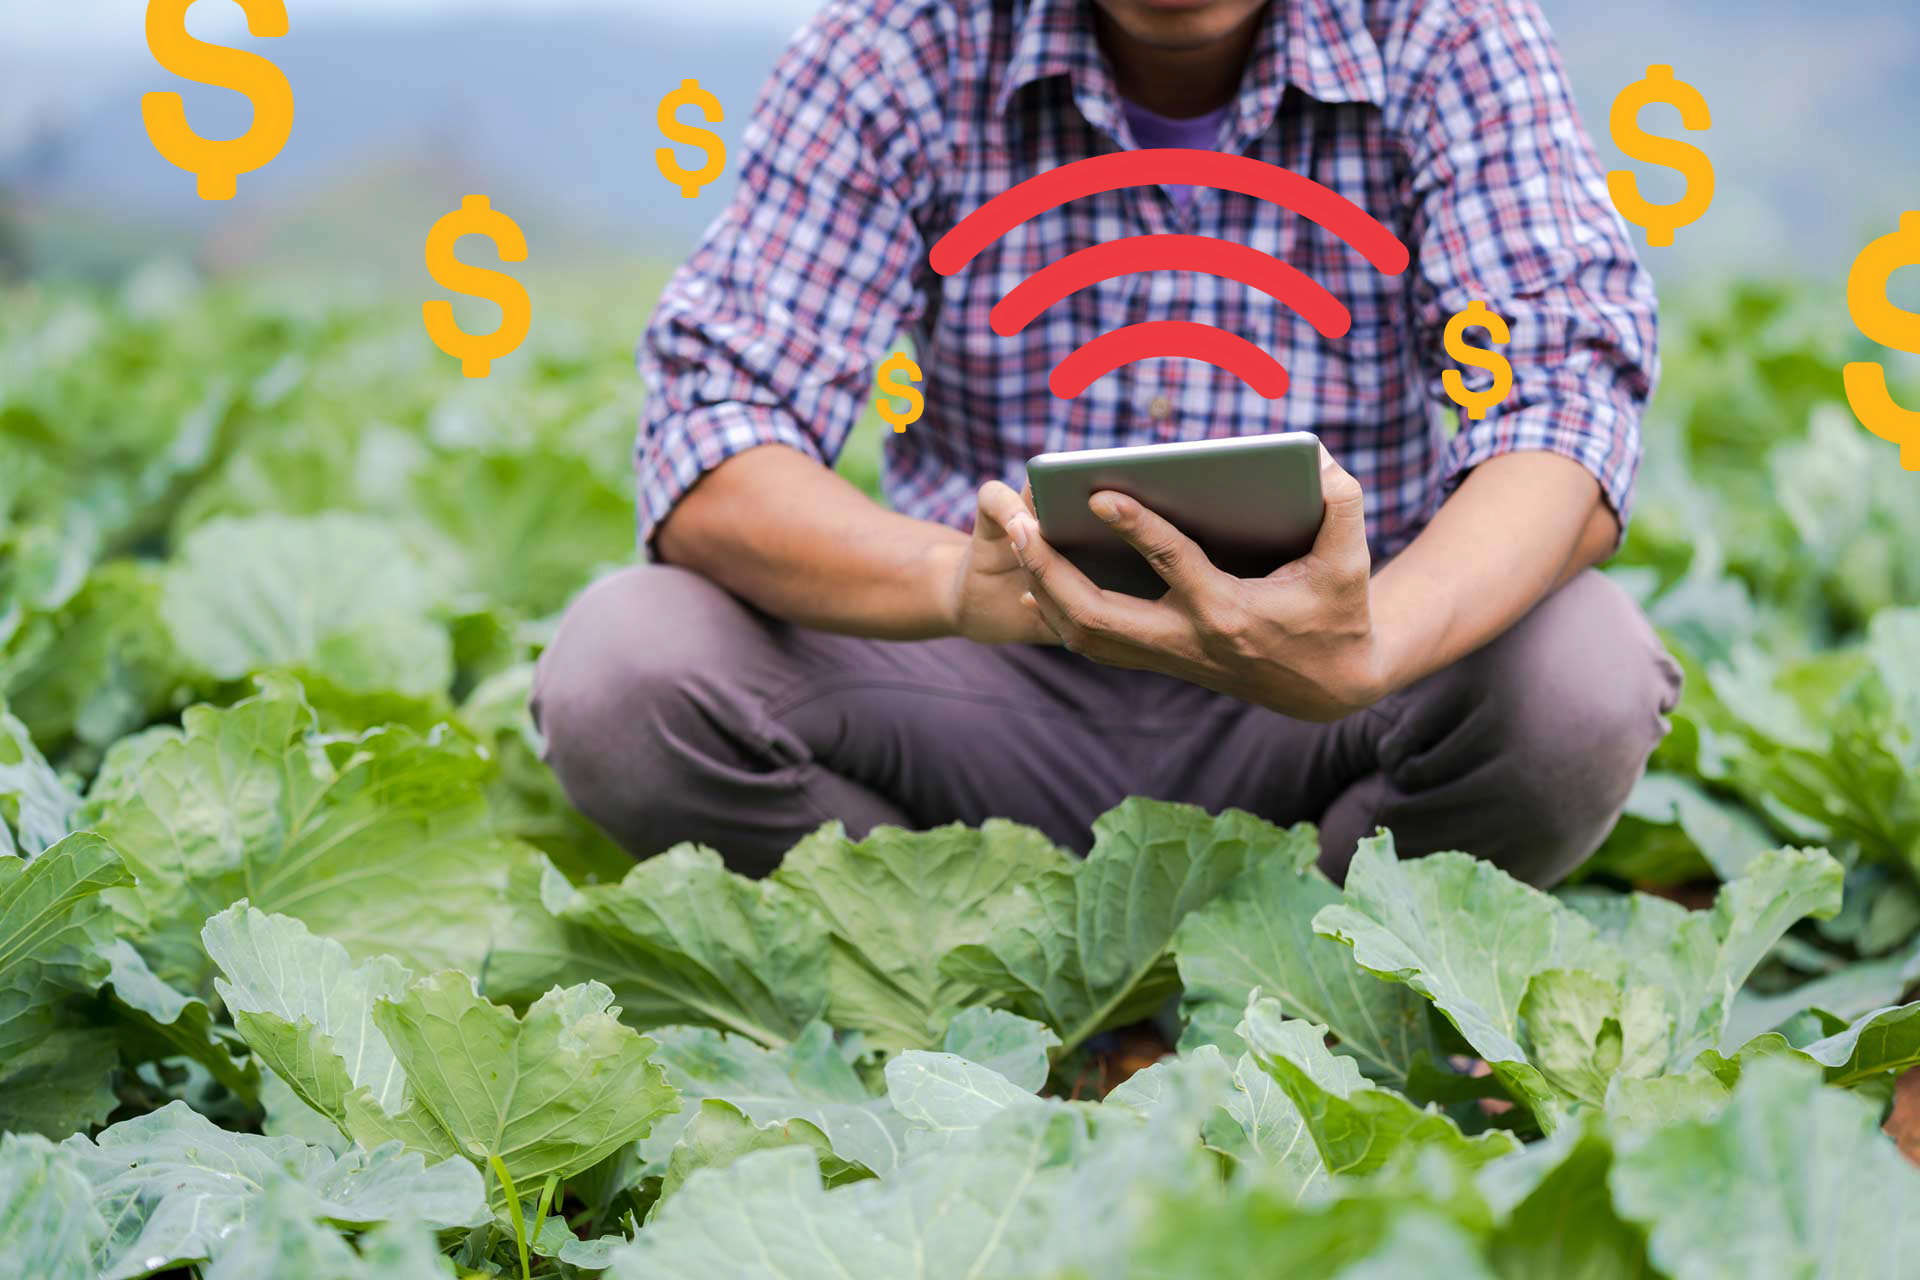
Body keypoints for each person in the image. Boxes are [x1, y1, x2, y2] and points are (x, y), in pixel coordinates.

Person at [533, 0, 1682, 885]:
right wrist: (952, 579)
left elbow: (1564, 399)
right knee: (627, 664)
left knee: (1577, 680)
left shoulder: (1443, 31)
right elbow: (714, 428)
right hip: (980, 694)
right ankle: (960, 959)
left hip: (1324, 701)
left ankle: (1316, 968)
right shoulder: (899, 44)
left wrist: (1377, 643)